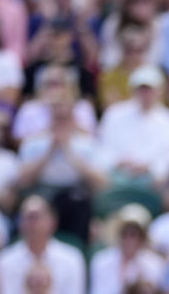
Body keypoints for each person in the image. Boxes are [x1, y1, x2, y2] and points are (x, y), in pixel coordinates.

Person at [17, 98, 107, 244]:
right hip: (42, 192)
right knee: (33, 206)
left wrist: (68, 150)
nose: (60, 123)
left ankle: (79, 249)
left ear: (73, 119)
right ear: (49, 119)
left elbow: (102, 183)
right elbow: (21, 182)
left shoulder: (87, 144)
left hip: (75, 195)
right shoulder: (33, 143)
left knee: (80, 204)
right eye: (56, 118)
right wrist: (50, 151)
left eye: (64, 118)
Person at [0, 196, 85, 294]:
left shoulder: (72, 258)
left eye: (35, 217)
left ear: (52, 221)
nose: (31, 223)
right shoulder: (5, 259)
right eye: (26, 218)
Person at [99, 65, 169, 189]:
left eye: (150, 89)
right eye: (142, 89)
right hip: (116, 176)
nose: (146, 94)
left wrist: (149, 167)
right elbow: (103, 148)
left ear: (160, 91)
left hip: (154, 181)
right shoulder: (114, 114)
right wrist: (119, 162)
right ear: (133, 90)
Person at [88, 204, 165, 294]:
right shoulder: (101, 261)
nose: (129, 240)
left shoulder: (155, 264)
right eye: (125, 234)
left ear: (143, 238)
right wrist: (125, 287)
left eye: (134, 235)